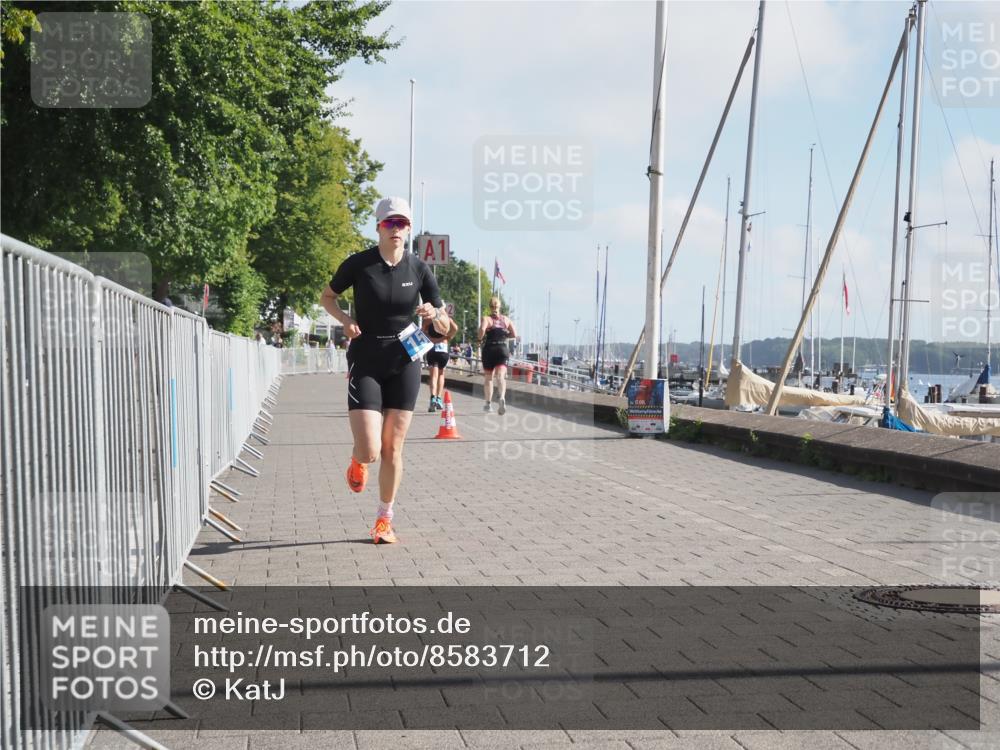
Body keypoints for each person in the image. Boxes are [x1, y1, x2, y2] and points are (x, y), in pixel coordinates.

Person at [320, 196, 450, 544]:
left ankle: (383, 520)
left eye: (403, 224)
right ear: (378, 227)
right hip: (367, 358)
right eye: (390, 223)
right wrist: (346, 321)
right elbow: (327, 297)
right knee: (370, 450)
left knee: (393, 448)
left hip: (406, 359)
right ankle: (357, 460)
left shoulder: (419, 269)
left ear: (409, 230)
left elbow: (445, 322)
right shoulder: (359, 264)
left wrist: (433, 313)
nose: (397, 229)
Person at [477, 296, 517, 414]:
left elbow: (482, 330)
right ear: (500, 307)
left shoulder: (487, 319)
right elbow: (514, 334)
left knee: (488, 378)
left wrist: (479, 339)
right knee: (500, 376)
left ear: (490, 307)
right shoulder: (506, 320)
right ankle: (502, 397)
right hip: (502, 349)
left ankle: (488, 404)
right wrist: (505, 335)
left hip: (489, 349)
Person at [423, 313, 458, 411]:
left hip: (432, 349)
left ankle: (432, 398)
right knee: (441, 374)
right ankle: (438, 398)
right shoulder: (446, 319)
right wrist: (447, 336)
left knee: (433, 376)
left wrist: (432, 338)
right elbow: (455, 328)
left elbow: (423, 332)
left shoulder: (428, 320)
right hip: (443, 350)